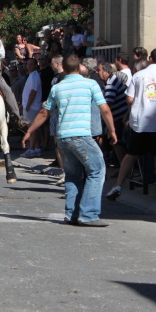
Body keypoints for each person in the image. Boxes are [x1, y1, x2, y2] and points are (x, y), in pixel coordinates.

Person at [22, 55, 117, 226]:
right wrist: (112, 130)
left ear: (63, 69)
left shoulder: (57, 88)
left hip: (63, 137)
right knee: (97, 170)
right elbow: (105, 109)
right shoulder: (90, 84)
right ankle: (88, 214)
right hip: (81, 135)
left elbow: (45, 113)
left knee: (72, 175)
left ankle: (71, 214)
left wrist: (29, 131)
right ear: (80, 67)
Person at [107, 48, 156, 202]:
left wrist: (142, 101)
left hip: (139, 121)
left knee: (132, 153)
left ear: (151, 59)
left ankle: (118, 185)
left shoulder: (139, 76)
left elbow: (129, 99)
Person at [20, 58, 42, 158]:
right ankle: (37, 148)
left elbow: (33, 92)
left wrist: (28, 105)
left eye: (31, 64)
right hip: (29, 106)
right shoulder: (31, 75)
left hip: (32, 107)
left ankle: (31, 149)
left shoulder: (34, 76)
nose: (29, 66)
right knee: (34, 129)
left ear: (35, 65)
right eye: (28, 64)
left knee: (31, 129)